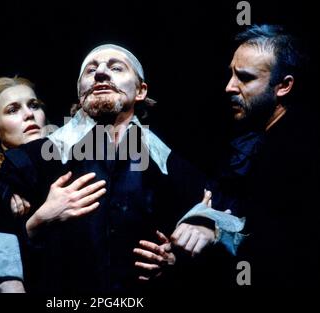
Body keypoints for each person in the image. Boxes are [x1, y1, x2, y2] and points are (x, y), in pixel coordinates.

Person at [0, 44, 243, 293]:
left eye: (116, 67)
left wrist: (205, 226)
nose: (100, 73)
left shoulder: (166, 162)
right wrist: (34, 226)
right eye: (91, 70)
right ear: (80, 92)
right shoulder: (38, 156)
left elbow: (231, 211)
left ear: (141, 91)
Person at [132, 24, 319, 287]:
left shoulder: (303, 148)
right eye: (231, 74)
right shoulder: (248, 138)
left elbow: (288, 247)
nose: (230, 86)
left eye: (245, 77)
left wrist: (219, 231)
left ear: (284, 86)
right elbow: (215, 201)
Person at [0, 76, 106, 292]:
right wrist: (36, 223)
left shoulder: (72, 161)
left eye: (34, 105)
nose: (29, 115)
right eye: (13, 110)